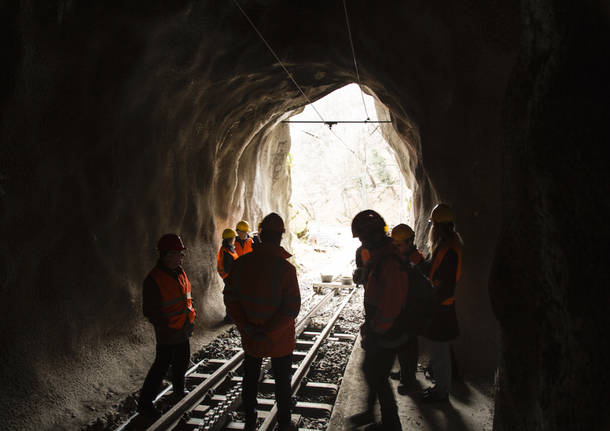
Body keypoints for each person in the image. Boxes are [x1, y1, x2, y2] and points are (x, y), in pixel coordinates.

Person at [223, 213, 301, 431]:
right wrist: (270, 331)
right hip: (279, 339)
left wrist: (247, 327)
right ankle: (284, 423)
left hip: (251, 335)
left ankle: (250, 421)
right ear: (280, 238)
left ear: (260, 235)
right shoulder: (286, 270)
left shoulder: (241, 265)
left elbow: (230, 298)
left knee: (250, 379)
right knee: (282, 382)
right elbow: (292, 308)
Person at [349, 210, 407, 431]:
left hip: (387, 331)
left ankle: (392, 424)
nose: (362, 243)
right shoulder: (381, 257)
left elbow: (391, 303)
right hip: (382, 328)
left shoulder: (389, 262)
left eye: (363, 238)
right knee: (374, 372)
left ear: (373, 235)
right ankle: (370, 412)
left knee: (377, 374)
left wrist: (375, 331)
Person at [138, 234, 196, 418]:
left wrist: (188, 321)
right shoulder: (154, 280)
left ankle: (179, 390)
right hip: (168, 331)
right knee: (161, 366)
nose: (181, 256)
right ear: (166, 255)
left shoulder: (179, 272)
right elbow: (150, 310)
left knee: (182, 360)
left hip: (182, 328)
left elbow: (185, 298)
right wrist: (166, 327)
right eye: (178, 253)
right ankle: (145, 404)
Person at [420, 203, 463, 402]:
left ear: (436, 227)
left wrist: (430, 305)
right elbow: (431, 268)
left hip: (442, 308)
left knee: (440, 353)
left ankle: (442, 391)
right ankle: (440, 387)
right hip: (441, 306)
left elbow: (445, 285)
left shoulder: (449, 250)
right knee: (439, 352)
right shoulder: (445, 247)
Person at [390, 223, 425, 395]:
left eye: (399, 245)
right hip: (403, 308)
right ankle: (404, 372)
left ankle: (408, 380)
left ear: (410, 242)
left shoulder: (416, 260)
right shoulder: (404, 257)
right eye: (394, 245)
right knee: (402, 345)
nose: (396, 248)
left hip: (411, 310)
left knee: (408, 346)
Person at [217, 228, 239, 323]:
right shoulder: (226, 252)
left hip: (230, 278)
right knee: (231, 297)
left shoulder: (229, 249)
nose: (234, 240)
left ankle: (231, 316)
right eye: (233, 238)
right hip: (229, 278)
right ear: (229, 239)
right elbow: (228, 268)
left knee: (232, 296)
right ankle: (229, 317)